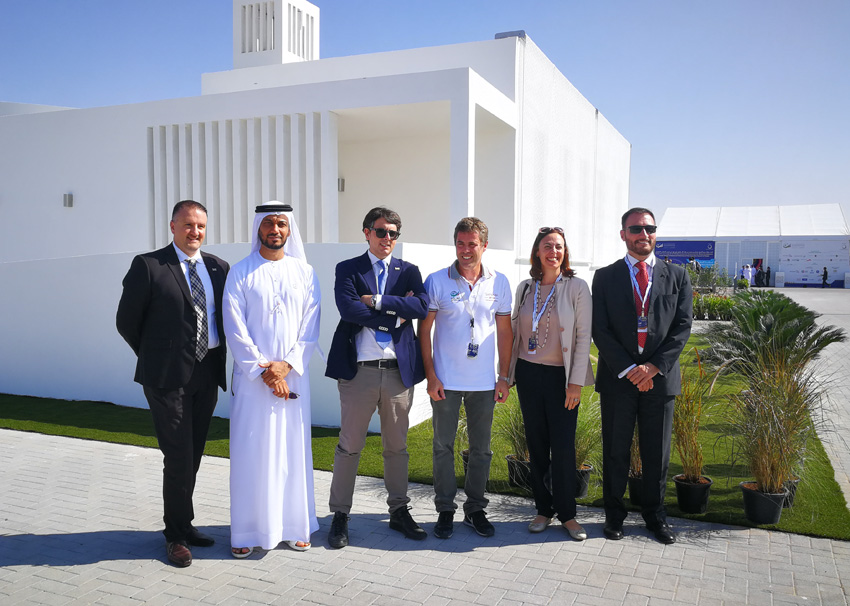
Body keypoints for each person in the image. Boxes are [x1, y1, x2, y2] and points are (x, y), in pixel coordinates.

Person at [116, 200, 229, 568]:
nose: (195, 232)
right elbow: (127, 321)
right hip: (166, 378)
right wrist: (156, 356)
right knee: (178, 455)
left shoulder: (217, 268)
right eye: (188, 225)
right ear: (173, 226)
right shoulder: (149, 266)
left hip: (207, 373)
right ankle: (175, 536)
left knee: (193, 454)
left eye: (201, 226)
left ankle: (185, 522)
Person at [325, 206, 430, 548]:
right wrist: (392, 318)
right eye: (382, 231)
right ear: (367, 232)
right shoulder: (349, 269)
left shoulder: (409, 272)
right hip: (360, 373)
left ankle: (399, 511)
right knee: (350, 446)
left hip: (398, 373)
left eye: (394, 233)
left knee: (396, 447)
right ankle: (340, 516)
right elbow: (349, 309)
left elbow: (421, 308)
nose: (388, 239)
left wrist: (380, 300)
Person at [223, 201, 321, 558]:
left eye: (281, 224)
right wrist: (265, 370)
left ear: (290, 229)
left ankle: (295, 527)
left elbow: (311, 327)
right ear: (258, 229)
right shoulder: (240, 272)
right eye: (268, 224)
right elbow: (234, 328)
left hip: (293, 379)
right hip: (253, 384)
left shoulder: (306, 273)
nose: (275, 230)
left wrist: (287, 366)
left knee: (292, 453)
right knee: (252, 453)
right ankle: (247, 530)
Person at [591, 208, 692, 545]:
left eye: (649, 228)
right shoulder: (605, 277)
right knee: (615, 452)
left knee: (656, 454)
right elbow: (600, 330)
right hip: (619, 380)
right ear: (623, 234)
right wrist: (630, 369)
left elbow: (682, 327)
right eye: (636, 228)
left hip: (659, 380)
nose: (643, 234)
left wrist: (652, 367)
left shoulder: (677, 275)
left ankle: (655, 516)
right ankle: (614, 516)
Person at [420, 217, 513, 539]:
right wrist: (431, 376)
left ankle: (475, 509)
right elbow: (425, 330)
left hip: (484, 383)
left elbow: (505, 332)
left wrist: (504, 376)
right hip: (445, 381)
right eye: (460, 243)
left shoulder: (499, 282)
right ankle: (445, 509)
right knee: (442, 447)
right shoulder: (436, 280)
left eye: (472, 243)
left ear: (484, 245)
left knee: (482, 450)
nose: (465, 250)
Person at [507, 227, 594, 540]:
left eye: (559, 246)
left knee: (563, 447)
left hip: (562, 378)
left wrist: (575, 383)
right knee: (537, 445)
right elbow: (515, 332)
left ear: (565, 252)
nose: (553, 252)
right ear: (537, 252)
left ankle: (568, 515)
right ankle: (543, 510)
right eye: (547, 246)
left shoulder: (577, 287)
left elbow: (583, 337)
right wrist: (507, 374)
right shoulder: (525, 288)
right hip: (530, 375)